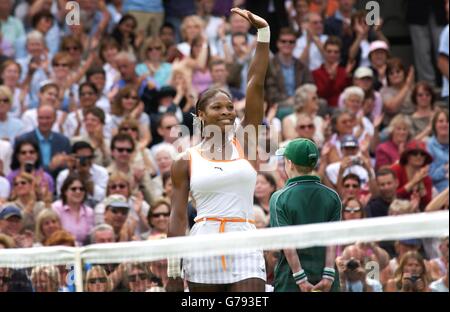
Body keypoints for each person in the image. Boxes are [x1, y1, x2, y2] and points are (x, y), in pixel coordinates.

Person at [166, 8, 270, 292]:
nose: (227, 112)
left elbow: (255, 84)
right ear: (200, 114)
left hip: (245, 240)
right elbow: (176, 217)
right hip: (203, 242)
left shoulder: (246, 142)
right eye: (217, 107)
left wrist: (263, 34)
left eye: (229, 107)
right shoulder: (184, 160)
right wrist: (173, 271)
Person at [270, 138, 341, 292]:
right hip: (328, 282)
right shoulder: (333, 196)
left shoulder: (279, 198)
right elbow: (332, 240)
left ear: (290, 163)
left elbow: (286, 243)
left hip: (291, 282)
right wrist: (328, 276)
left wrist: (301, 280)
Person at [51, 174, 95, 246]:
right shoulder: (56, 208)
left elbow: (90, 238)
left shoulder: (89, 212)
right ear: (65, 191)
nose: (78, 192)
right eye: (73, 189)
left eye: (81, 189)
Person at [391, 140, 433, 211]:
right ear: (407, 156)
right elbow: (392, 195)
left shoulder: (426, 178)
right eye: (414, 153)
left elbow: (428, 203)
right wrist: (413, 182)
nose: (419, 156)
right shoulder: (396, 169)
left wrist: (420, 183)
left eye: (422, 154)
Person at [427, 109, 449, 193]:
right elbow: (430, 176)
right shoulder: (429, 145)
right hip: (439, 191)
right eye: (441, 121)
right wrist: (445, 168)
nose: (444, 124)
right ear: (434, 125)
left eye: (448, 121)